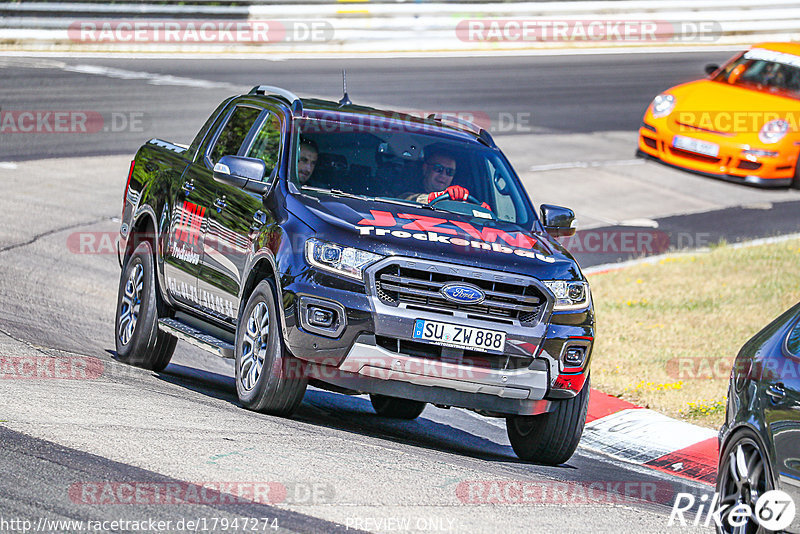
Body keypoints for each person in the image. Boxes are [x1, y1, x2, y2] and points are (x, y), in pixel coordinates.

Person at [406, 148, 490, 210]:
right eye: (438, 169)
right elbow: (403, 199)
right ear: (425, 168)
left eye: (450, 172)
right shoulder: (406, 184)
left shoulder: (458, 201)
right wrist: (434, 197)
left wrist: (480, 210)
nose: (443, 175)